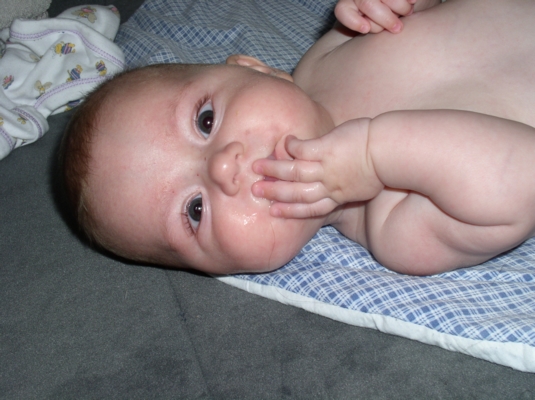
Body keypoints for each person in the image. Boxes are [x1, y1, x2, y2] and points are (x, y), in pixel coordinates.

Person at [60, 0, 535, 276]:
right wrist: (373, 157)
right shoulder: (393, 226)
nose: (222, 167)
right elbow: (520, 178)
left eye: (205, 121)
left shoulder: (323, 59)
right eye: (195, 211)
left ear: (254, 69)